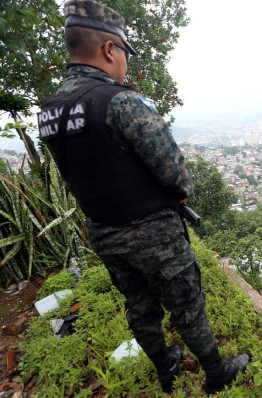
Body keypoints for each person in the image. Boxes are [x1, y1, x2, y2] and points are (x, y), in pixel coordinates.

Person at [36, 0, 250, 393]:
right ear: (109, 49)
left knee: (140, 306)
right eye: (125, 54)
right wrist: (181, 192)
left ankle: (166, 369)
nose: (126, 63)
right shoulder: (120, 101)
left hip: (102, 230)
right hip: (154, 233)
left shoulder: (50, 112)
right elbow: (177, 174)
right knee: (187, 306)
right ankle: (217, 374)